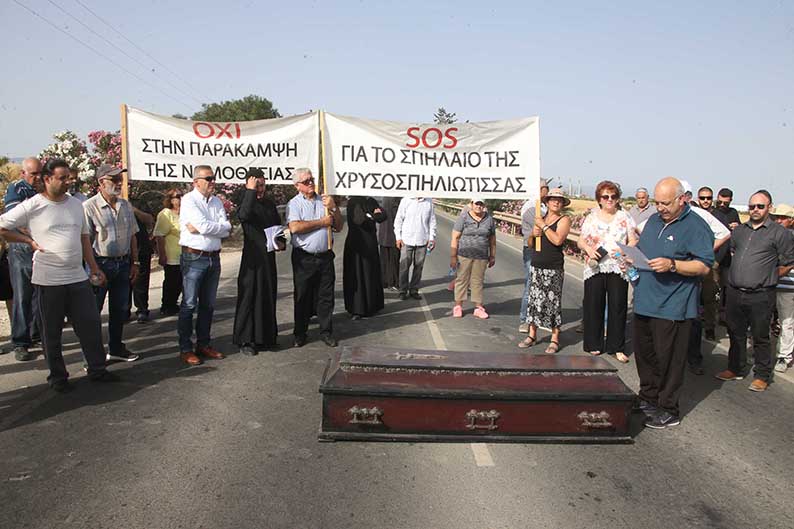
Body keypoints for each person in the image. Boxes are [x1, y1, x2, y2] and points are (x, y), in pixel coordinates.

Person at [0, 158, 120, 392]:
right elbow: (3, 227)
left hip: (77, 279)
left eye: (69, 177)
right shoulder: (33, 205)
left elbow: (84, 238)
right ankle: (58, 377)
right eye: (62, 178)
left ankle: (97, 369)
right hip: (48, 282)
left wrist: (93, 267)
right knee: (51, 333)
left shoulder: (76, 205)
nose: (68, 182)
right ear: (47, 179)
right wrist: (28, 241)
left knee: (90, 326)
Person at [631, 177, 713, 429]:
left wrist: (673, 265)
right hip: (644, 300)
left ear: (681, 199)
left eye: (665, 203)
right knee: (645, 356)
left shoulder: (696, 226)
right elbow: (643, 251)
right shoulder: (654, 220)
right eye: (657, 202)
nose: (660, 208)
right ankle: (648, 397)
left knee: (669, 360)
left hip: (672, 306)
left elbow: (704, 266)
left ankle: (668, 408)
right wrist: (631, 258)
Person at [716, 190, 794, 392]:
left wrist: (770, 276)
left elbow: (788, 262)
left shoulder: (780, 233)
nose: (755, 210)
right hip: (735, 292)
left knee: (760, 337)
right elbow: (734, 252)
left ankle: (762, 375)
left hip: (761, 294)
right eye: (752, 206)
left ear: (769, 208)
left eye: (760, 206)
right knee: (735, 333)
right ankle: (735, 368)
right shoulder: (740, 231)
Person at [83, 164, 141, 363]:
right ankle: (93, 357)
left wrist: (135, 262)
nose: (119, 183)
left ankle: (116, 348)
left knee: (119, 310)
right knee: (93, 313)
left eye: (120, 179)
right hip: (100, 265)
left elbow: (133, 236)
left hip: (123, 264)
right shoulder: (89, 207)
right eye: (114, 179)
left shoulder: (125, 206)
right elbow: (85, 241)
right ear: (101, 182)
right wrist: (93, 268)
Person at [577, 181, 637, 363]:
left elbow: (633, 239)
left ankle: (616, 347)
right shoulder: (591, 217)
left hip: (618, 266)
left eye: (613, 196)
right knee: (593, 305)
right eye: (605, 196)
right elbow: (580, 240)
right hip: (595, 266)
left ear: (618, 198)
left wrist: (625, 249)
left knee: (618, 307)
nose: (609, 199)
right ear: (599, 199)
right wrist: (588, 249)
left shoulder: (625, 217)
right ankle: (593, 343)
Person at [177, 165, 231, 365]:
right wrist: (214, 227)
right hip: (194, 257)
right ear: (196, 181)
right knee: (189, 304)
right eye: (208, 178)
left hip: (213, 257)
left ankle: (204, 344)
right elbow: (209, 226)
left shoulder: (216, 201)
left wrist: (205, 227)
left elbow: (226, 228)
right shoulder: (189, 200)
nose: (212, 182)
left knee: (208, 305)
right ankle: (185, 348)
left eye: (213, 178)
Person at [286, 168, 343, 348]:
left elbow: (339, 226)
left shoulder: (324, 201)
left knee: (326, 297)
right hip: (304, 258)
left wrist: (334, 208)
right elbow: (295, 228)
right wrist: (321, 222)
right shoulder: (294, 204)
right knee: (302, 296)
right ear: (297, 186)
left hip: (325, 256)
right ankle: (300, 333)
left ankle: (326, 332)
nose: (311, 183)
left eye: (311, 179)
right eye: (306, 181)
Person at [233, 169, 285, 355]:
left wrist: (281, 242)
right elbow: (244, 215)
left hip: (268, 257)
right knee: (249, 297)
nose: (261, 189)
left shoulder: (269, 204)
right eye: (257, 186)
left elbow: (277, 226)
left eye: (263, 185)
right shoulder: (246, 201)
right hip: (252, 258)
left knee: (267, 295)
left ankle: (266, 338)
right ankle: (246, 340)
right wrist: (250, 191)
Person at [518, 188, 572, 354]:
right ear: (547, 202)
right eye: (552, 199)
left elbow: (558, 240)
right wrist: (534, 234)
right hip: (536, 264)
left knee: (552, 303)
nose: (556, 202)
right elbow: (530, 244)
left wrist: (544, 226)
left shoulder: (564, 220)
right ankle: (532, 335)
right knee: (534, 302)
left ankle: (554, 338)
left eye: (559, 200)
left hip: (553, 268)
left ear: (562, 204)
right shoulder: (539, 219)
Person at [3, 156, 41, 361]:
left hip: (38, 248)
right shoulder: (16, 189)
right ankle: (20, 342)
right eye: (33, 174)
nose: (37, 177)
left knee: (38, 295)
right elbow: (16, 219)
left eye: (40, 173)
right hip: (21, 248)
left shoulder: (41, 189)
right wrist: (35, 233)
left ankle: (35, 335)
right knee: (22, 296)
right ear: (23, 173)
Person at [450, 197, 496, 319]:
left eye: (481, 204)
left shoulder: (489, 220)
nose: (478, 206)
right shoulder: (464, 218)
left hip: (481, 256)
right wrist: (453, 256)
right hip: (464, 254)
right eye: (476, 204)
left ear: (484, 205)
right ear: (471, 204)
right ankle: (458, 306)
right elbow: (455, 237)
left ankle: (478, 307)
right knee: (461, 280)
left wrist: (492, 255)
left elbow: (492, 239)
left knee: (478, 281)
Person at [344, 196, 386, 319]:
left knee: (371, 275)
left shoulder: (371, 201)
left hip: (370, 243)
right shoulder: (353, 202)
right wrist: (373, 215)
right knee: (356, 277)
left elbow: (383, 216)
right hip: (356, 245)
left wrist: (371, 216)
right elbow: (359, 220)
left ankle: (373, 306)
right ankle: (357, 309)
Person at [518, 180, 549, 333]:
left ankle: (539, 317)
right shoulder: (531, 207)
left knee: (544, 285)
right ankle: (525, 319)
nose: (547, 191)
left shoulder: (543, 206)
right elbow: (543, 226)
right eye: (546, 188)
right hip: (532, 248)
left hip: (545, 249)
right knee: (531, 284)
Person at [393, 197, 437, 300]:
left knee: (419, 267)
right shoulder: (406, 200)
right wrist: (398, 237)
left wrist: (431, 238)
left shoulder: (429, 202)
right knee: (404, 266)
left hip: (422, 239)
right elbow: (398, 220)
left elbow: (432, 221)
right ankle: (403, 290)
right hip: (406, 239)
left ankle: (414, 290)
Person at [711, 187, 741, 322]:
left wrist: (737, 226)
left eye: (725, 203)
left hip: (728, 258)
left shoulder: (733, 212)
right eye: (720, 202)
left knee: (727, 288)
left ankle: (724, 315)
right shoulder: (713, 213)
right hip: (714, 256)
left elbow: (740, 231)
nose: (722, 205)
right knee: (712, 288)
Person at [771, 204, 794, 373]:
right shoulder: (769, 235)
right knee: (762, 321)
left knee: (786, 322)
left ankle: (784, 356)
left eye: (782, 218)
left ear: (791, 220)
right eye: (776, 217)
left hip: (788, 286)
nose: (778, 220)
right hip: (768, 284)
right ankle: (759, 353)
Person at [153, 188, 183, 315]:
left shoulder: (185, 213)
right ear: (170, 199)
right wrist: (162, 255)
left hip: (185, 254)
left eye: (181, 196)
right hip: (171, 255)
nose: (180, 199)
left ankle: (174, 303)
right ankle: (167, 305)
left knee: (181, 282)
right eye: (177, 197)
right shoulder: (165, 214)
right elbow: (159, 236)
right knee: (171, 282)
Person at [129, 200, 154, 323]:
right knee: (123, 284)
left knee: (141, 282)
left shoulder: (138, 203)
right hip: (121, 251)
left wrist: (134, 210)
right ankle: (123, 311)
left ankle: (142, 310)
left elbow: (149, 220)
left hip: (141, 248)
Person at [377, 197, 402, 290]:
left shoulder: (384, 199)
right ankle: (393, 282)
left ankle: (385, 281)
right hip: (394, 235)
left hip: (384, 235)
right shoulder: (397, 200)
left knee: (385, 260)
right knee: (393, 261)